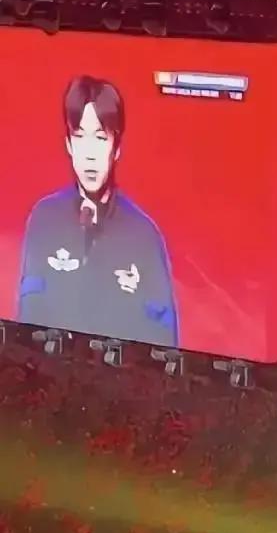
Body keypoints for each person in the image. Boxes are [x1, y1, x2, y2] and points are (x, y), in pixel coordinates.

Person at [18, 75, 178, 345]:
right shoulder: (45, 219)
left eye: (101, 138)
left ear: (117, 148)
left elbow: (165, 339)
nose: (90, 154)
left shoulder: (143, 235)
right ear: (69, 144)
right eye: (80, 137)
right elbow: (26, 321)